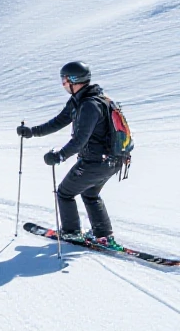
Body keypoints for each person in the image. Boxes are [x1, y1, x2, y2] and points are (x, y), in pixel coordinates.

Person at [17, 61, 122, 247]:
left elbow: (80, 139)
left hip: (95, 161)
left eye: (64, 80)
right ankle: (103, 235)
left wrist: (60, 156)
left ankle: (71, 232)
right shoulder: (84, 100)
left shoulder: (89, 105)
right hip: (112, 161)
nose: (63, 84)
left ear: (74, 80)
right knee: (90, 194)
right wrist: (32, 132)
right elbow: (59, 121)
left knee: (65, 193)